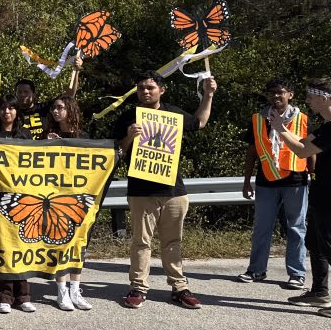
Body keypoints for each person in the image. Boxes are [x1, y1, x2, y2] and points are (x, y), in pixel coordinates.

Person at [114, 71, 217, 310]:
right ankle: (138, 287)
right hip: (141, 190)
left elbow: (199, 123)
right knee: (141, 242)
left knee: (173, 241)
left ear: (162, 90)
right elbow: (117, 151)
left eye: (150, 87)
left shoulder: (174, 113)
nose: (145, 92)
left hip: (173, 190)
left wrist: (208, 95)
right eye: (141, 88)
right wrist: (129, 138)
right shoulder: (129, 117)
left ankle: (179, 287)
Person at [239, 78, 312, 288]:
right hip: (266, 181)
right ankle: (256, 270)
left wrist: (313, 176)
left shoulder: (303, 119)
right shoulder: (257, 119)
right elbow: (251, 151)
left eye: (280, 92)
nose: (276, 96)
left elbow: (312, 152)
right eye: (272, 93)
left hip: (296, 181)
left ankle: (297, 273)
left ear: (290, 95)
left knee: (296, 227)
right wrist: (246, 181)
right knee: (262, 227)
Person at [267, 77, 331, 316]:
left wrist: (280, 132)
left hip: (329, 194)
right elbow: (303, 144)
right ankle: (320, 291)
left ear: (324, 98)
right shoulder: (325, 126)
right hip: (321, 190)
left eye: (311, 96)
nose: (307, 101)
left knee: (328, 243)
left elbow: (302, 151)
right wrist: (281, 129)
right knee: (315, 242)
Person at [0, 95, 35, 314]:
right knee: (3, 246)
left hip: (23, 198)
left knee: (22, 245)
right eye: (3, 108)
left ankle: (24, 295)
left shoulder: (25, 135)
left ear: (17, 112)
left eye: (11, 108)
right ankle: (4, 296)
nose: (7, 112)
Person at [46, 94, 91, 311]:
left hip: (79, 198)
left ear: (70, 110)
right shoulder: (48, 135)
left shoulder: (84, 136)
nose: (56, 111)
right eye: (54, 108)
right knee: (60, 244)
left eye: (60, 107)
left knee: (79, 245)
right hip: (56, 198)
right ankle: (61, 291)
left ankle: (76, 289)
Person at [13, 55, 81, 140]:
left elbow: (69, 95)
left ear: (34, 94)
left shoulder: (44, 108)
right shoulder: (12, 112)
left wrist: (76, 71)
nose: (22, 95)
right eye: (19, 92)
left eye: (26, 92)